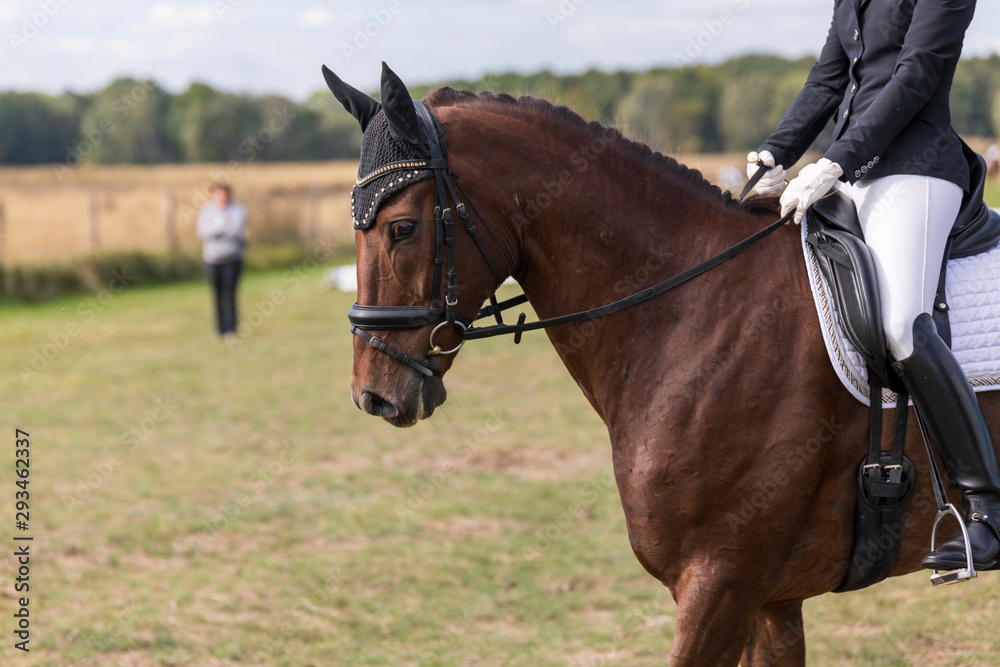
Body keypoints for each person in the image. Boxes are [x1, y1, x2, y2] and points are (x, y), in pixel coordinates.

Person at [750, 0, 1000, 574]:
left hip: (916, 169)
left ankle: (987, 510)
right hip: (852, 173)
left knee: (901, 325)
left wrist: (835, 160)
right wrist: (777, 151)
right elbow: (829, 75)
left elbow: (917, 74)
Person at [196, 183, 247, 339]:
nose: (220, 196)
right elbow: (201, 231)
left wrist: (215, 229)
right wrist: (221, 227)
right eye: (217, 193)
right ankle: (219, 329)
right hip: (212, 259)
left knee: (230, 293)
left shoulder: (238, 210)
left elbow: (235, 230)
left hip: (232, 258)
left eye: (223, 193)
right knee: (216, 295)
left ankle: (232, 328)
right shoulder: (206, 211)